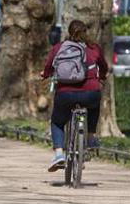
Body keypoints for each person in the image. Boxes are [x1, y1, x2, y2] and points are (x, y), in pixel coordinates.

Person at [41, 20, 107, 172]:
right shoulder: (93, 48)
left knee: (57, 121)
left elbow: (49, 66)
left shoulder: (59, 48)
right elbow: (103, 66)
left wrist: (45, 74)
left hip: (65, 94)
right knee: (94, 105)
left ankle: (59, 154)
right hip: (90, 92)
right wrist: (101, 77)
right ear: (85, 32)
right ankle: (90, 138)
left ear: (68, 32)